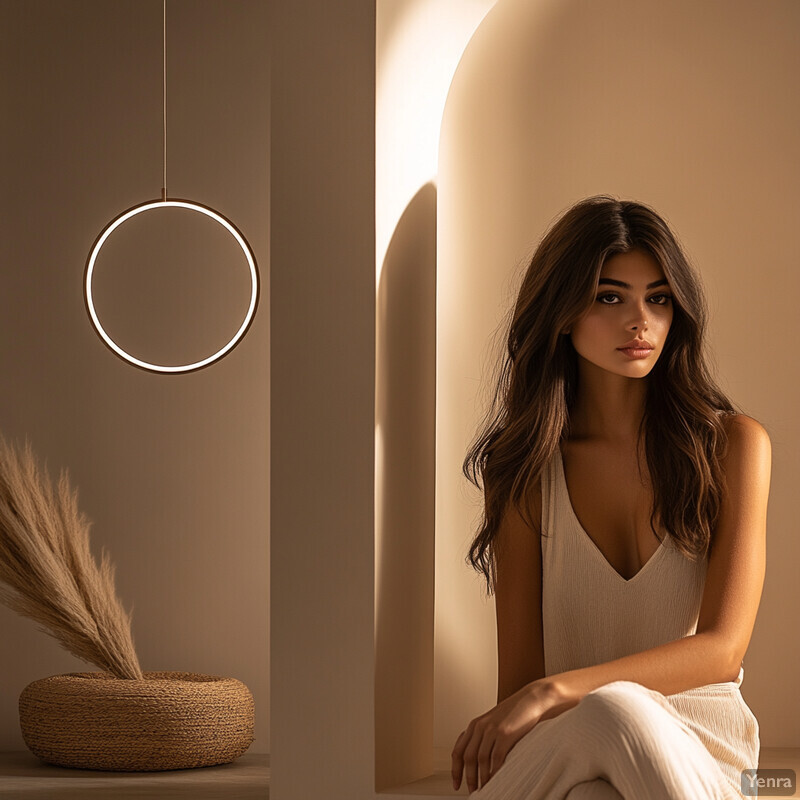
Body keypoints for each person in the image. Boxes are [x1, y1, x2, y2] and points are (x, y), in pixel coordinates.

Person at [450, 195, 770, 799]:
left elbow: (723, 650)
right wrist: (548, 704)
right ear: (563, 312)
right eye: (609, 296)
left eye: (658, 298)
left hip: (700, 752)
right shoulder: (522, 468)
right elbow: (518, 682)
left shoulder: (733, 446)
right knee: (599, 735)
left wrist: (556, 691)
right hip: (571, 742)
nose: (639, 321)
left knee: (614, 718)